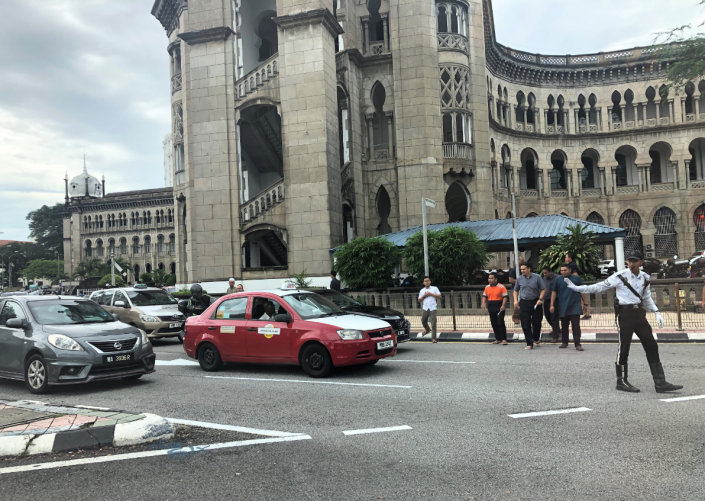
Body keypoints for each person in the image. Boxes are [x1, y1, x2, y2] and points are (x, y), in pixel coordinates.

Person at [564, 251, 682, 393]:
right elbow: (599, 287)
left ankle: (660, 382)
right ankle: (621, 382)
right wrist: (576, 288)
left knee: (651, 345)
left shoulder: (645, 277)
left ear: (641, 262)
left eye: (635, 261)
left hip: (639, 314)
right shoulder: (619, 276)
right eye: (629, 261)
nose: (632, 263)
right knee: (624, 347)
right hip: (625, 314)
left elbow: (646, 298)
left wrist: (656, 312)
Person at [551, 264, 587, 351]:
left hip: (575, 305)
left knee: (576, 326)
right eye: (561, 270)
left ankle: (577, 344)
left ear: (570, 270)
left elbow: (582, 290)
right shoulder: (557, 279)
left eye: (565, 270)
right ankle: (564, 342)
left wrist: (585, 303)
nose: (563, 272)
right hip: (563, 306)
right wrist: (551, 305)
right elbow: (554, 292)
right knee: (564, 326)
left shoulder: (576, 278)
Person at [513, 263, 546, 349]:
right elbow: (515, 290)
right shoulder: (519, 279)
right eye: (521, 269)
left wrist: (540, 299)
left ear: (529, 269)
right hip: (524, 302)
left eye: (524, 269)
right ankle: (529, 343)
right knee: (525, 323)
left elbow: (543, 289)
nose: (522, 271)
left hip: (536, 302)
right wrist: (515, 300)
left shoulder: (537, 277)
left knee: (537, 322)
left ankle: (536, 338)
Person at [481, 272, 508, 345]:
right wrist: (483, 302)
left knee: (500, 322)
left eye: (491, 278)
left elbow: (505, 297)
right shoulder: (487, 287)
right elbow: (484, 296)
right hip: (491, 305)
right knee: (494, 323)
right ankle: (498, 338)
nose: (489, 280)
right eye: (489, 278)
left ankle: (504, 339)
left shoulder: (501, 287)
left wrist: (503, 305)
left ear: (496, 279)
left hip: (499, 305)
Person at [566, 252, 592, 320]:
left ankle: (587, 314)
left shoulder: (572, 265)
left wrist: (575, 284)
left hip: (576, 286)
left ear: (570, 258)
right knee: (582, 299)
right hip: (574, 286)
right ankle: (587, 314)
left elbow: (575, 274)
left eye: (566, 257)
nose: (565, 259)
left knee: (582, 299)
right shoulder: (570, 264)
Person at [418, 277, 441, 343]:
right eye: (425, 281)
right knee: (423, 321)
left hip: (433, 308)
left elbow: (439, 296)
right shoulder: (422, 290)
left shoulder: (434, 288)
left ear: (430, 281)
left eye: (428, 281)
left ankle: (433, 338)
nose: (427, 282)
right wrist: (424, 296)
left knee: (433, 323)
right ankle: (427, 330)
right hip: (425, 308)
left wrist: (431, 294)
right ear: (423, 283)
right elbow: (419, 300)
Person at [541, 266, 561, 343]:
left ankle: (555, 336)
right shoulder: (544, 279)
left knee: (554, 317)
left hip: (555, 300)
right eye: (543, 273)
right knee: (547, 316)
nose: (544, 274)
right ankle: (556, 329)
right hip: (546, 300)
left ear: (550, 272)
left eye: (546, 273)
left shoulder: (557, 278)